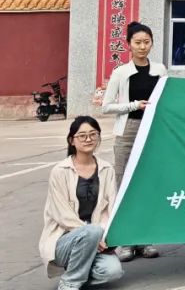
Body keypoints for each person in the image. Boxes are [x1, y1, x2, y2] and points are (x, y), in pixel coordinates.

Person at [100, 21, 166, 262]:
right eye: (137, 42)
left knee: (147, 183)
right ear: (128, 44)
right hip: (127, 130)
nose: (142, 46)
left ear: (152, 43)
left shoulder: (160, 70)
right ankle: (125, 240)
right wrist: (134, 105)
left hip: (152, 131)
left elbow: (166, 99)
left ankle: (145, 239)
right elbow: (106, 106)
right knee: (124, 184)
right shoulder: (121, 72)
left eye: (146, 42)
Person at [40, 116, 123, 290]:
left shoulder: (106, 169)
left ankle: (79, 271)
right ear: (72, 140)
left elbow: (110, 209)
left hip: (96, 238)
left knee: (113, 272)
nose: (88, 139)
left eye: (93, 134)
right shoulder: (60, 171)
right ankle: (70, 283)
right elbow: (62, 214)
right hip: (64, 240)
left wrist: (101, 236)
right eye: (82, 135)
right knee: (92, 230)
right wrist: (92, 234)